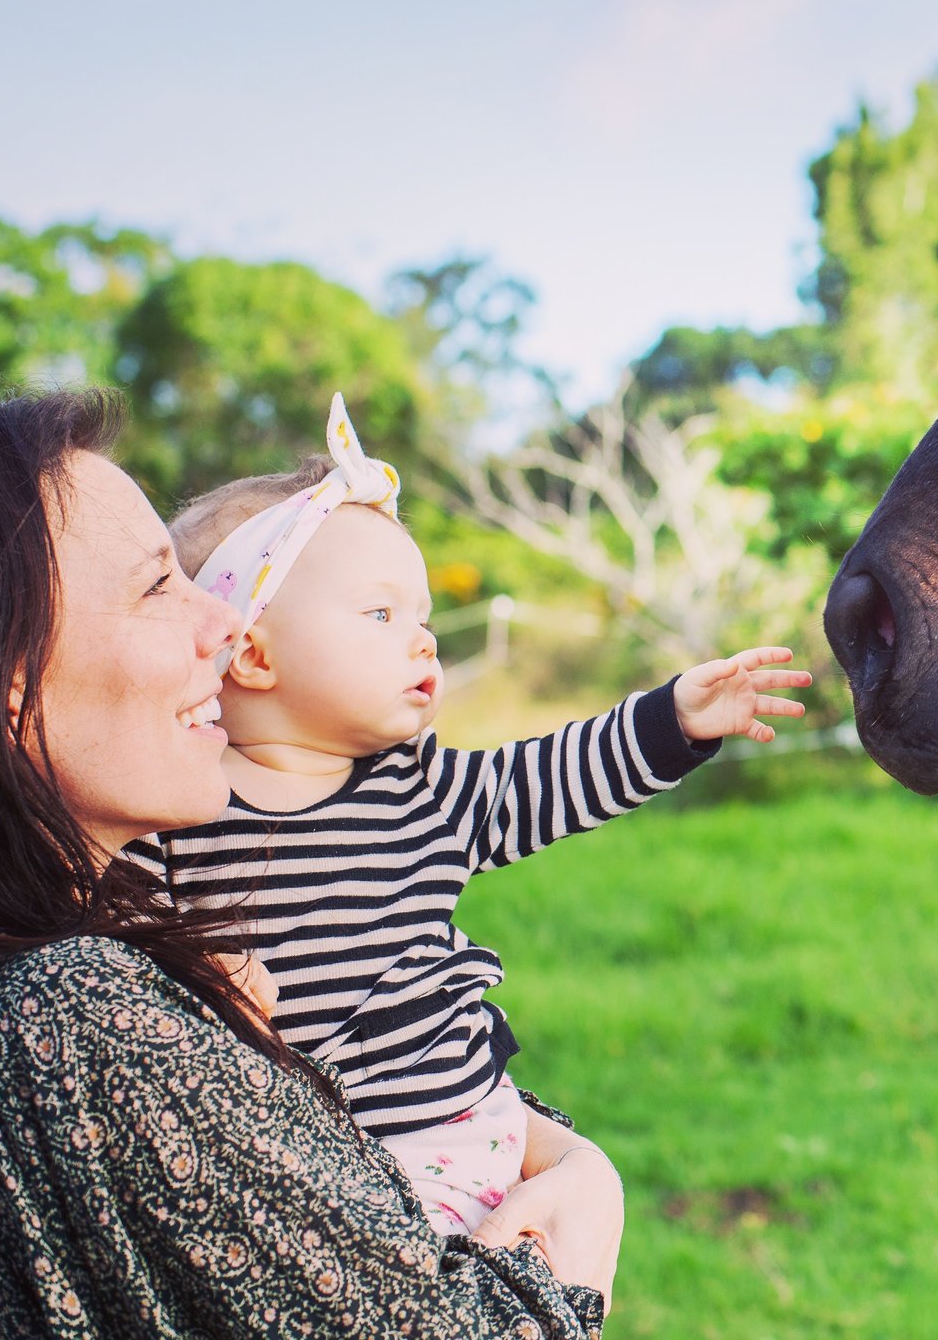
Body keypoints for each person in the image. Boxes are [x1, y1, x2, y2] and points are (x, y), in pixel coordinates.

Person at [0, 392, 622, 1337]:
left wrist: (546, 1146)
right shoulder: (72, 1018)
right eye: (158, 586)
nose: (224, 624)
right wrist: (586, 1212)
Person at [131, 396, 809, 1238]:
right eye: (382, 615)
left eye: (422, 619)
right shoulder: (173, 816)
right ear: (256, 653)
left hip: (462, 1140)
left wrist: (673, 719)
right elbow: (107, 945)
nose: (424, 642)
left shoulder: (418, 789)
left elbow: (551, 776)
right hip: (311, 1182)